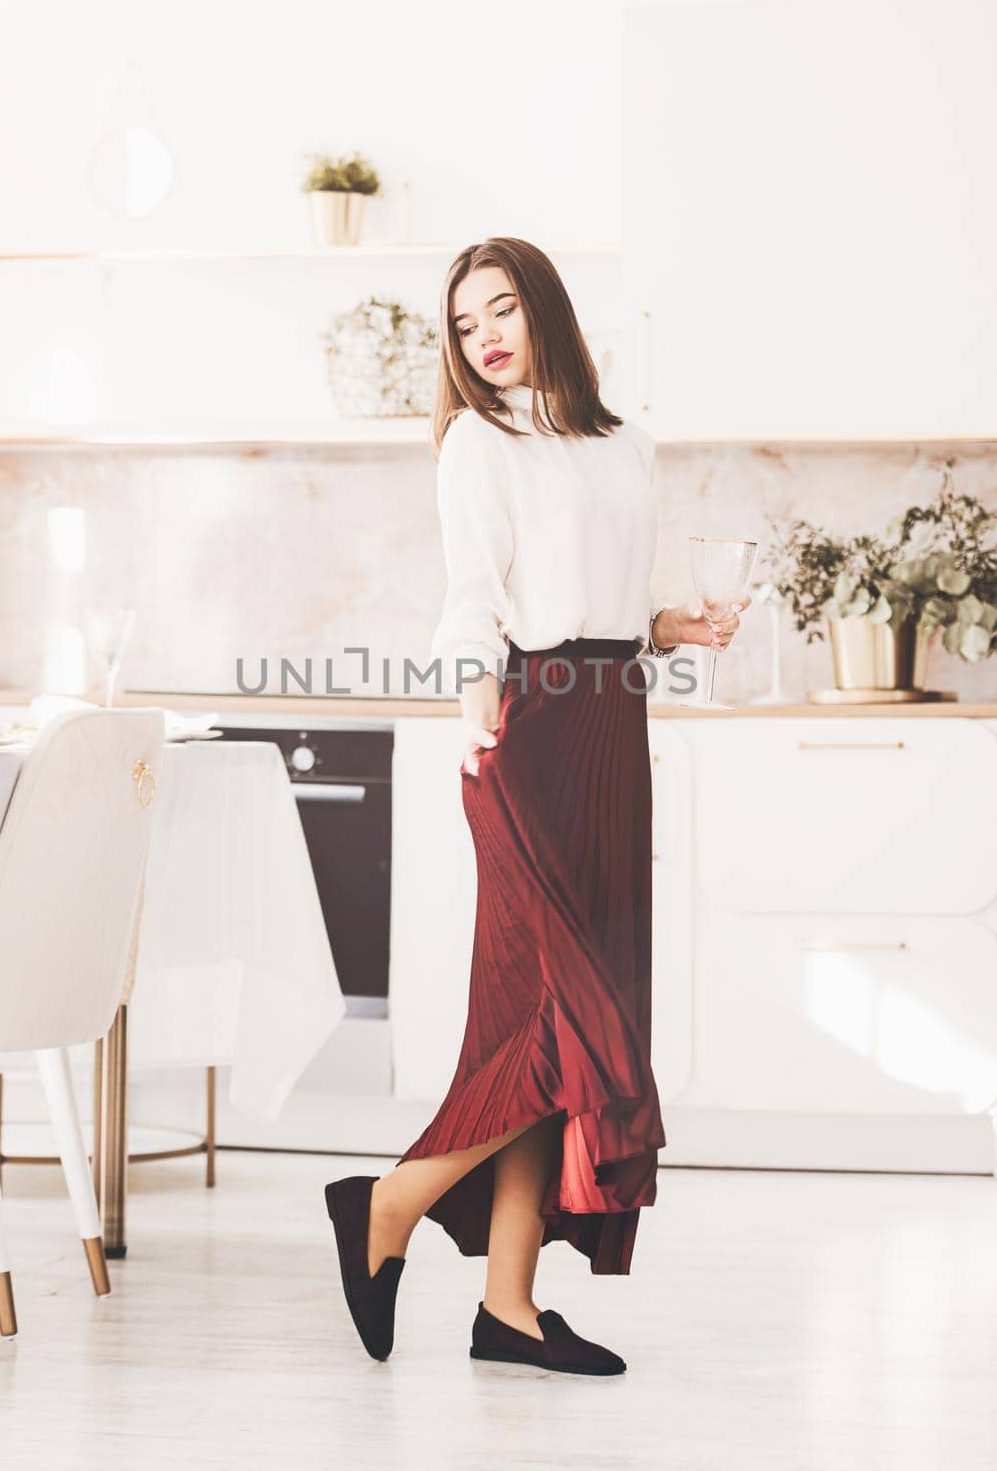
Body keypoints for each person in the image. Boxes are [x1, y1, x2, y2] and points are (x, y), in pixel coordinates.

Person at [325, 236, 749, 1376]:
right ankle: (387, 1202)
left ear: (545, 309)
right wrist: (476, 710)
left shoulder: (629, 444)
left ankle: (508, 1306)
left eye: (501, 310)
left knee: (550, 1023)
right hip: (531, 726)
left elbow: (607, 599)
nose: (485, 338)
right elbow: (479, 596)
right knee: (559, 1018)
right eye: (464, 325)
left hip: (616, 724)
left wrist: (676, 627)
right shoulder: (478, 441)